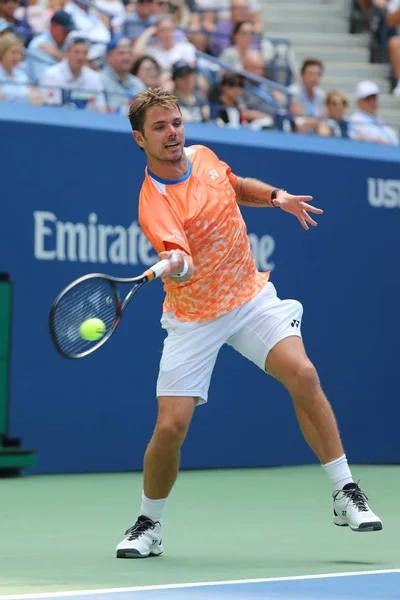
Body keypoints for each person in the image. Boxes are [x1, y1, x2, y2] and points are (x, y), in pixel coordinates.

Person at [115, 87, 383, 559]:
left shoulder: (202, 154)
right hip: (194, 317)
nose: (172, 133)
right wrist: (174, 261)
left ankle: (345, 492)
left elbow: (234, 185)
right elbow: (177, 252)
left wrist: (276, 197)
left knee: (303, 373)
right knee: (170, 428)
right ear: (140, 139)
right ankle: (148, 523)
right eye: (159, 128)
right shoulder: (153, 202)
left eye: (175, 122)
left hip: (249, 296)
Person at [39, 32, 106, 111]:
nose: (80, 57)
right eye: (77, 52)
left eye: (85, 53)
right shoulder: (52, 75)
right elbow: (45, 108)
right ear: (67, 52)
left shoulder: (94, 78)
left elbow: (101, 109)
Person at [26, 9, 75, 83]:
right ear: (53, 26)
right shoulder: (39, 45)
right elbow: (44, 80)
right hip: (41, 91)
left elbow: (82, 67)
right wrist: (65, 59)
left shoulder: (67, 43)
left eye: (69, 31)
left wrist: (59, 55)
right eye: (65, 30)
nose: (67, 34)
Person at [100, 36, 145, 113]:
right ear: (109, 56)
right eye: (121, 53)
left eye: (129, 53)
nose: (127, 58)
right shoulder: (99, 80)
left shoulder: (138, 84)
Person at [349, 80, 398, 145]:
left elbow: (394, 141)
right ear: (359, 102)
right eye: (368, 99)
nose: (372, 102)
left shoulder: (379, 121)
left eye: (374, 98)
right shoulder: (355, 120)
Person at [0, 32, 42, 104]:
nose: (17, 57)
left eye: (19, 53)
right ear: (2, 52)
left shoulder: (22, 74)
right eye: (13, 52)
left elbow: (36, 99)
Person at [289, 58, 326, 135]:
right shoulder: (293, 91)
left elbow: (324, 117)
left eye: (317, 74)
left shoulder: (321, 94)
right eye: (311, 74)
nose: (314, 78)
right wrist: (317, 122)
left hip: (316, 130)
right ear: (302, 75)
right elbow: (299, 120)